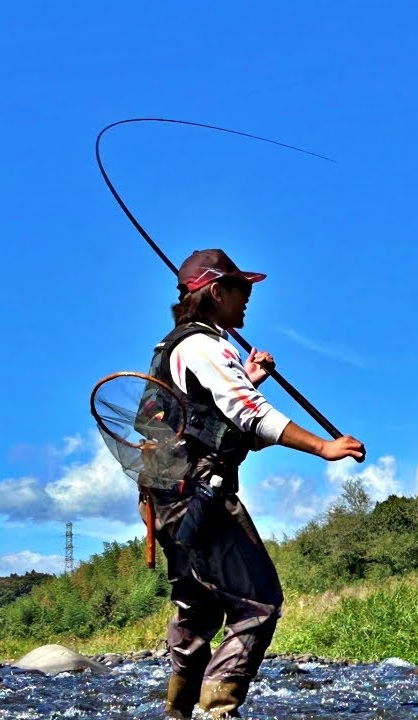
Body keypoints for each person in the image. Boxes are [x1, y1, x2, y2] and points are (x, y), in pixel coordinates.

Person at [144, 248, 365, 718]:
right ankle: (218, 710)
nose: (247, 297)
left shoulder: (171, 348)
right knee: (259, 603)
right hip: (202, 495)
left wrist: (246, 379)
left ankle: (177, 712)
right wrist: (324, 447)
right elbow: (251, 415)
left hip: (166, 501)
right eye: (240, 288)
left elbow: (210, 421)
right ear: (216, 291)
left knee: (198, 608)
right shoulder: (205, 345)